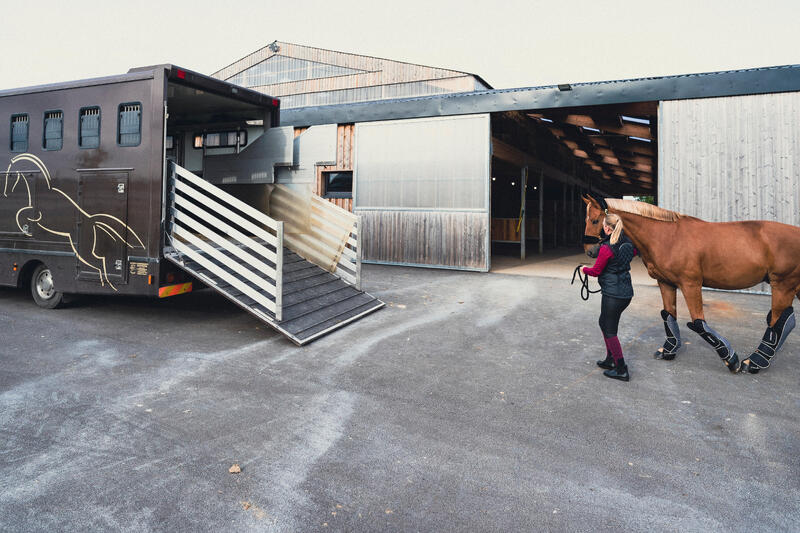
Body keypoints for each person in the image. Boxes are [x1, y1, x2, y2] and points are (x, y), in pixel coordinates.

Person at [582, 213, 637, 381]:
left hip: (613, 294)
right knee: (604, 323)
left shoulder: (606, 248)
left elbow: (596, 271)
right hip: (625, 292)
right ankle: (610, 359)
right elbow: (632, 254)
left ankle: (621, 369)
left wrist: (584, 269)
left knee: (609, 329)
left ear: (607, 228)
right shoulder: (628, 243)